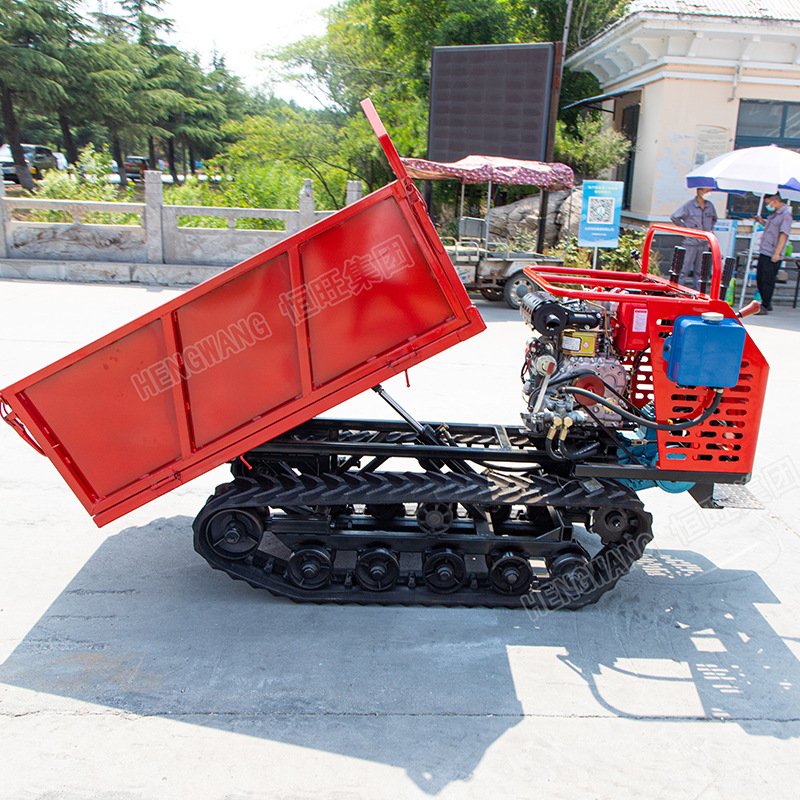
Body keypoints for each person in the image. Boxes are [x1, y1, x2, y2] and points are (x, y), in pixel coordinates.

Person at [670, 187, 718, 288]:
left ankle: (698, 295)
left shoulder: (710, 206)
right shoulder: (689, 206)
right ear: (699, 191)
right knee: (683, 270)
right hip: (691, 243)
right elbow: (675, 217)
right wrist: (685, 232)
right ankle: (679, 292)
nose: (709, 193)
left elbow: (714, 219)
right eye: (707, 191)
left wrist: (709, 230)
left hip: (704, 242)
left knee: (700, 272)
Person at [753, 192, 793, 314]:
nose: (767, 206)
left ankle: (764, 305)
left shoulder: (786, 215)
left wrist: (777, 253)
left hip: (773, 253)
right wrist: (762, 221)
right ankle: (767, 303)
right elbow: (772, 229)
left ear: (774, 201)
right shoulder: (774, 214)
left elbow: (783, 234)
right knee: (760, 277)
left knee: (767, 279)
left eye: (768, 203)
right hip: (765, 250)